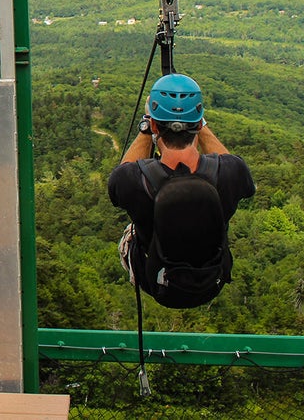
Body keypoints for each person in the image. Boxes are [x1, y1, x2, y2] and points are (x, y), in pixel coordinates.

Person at [107, 73, 255, 307]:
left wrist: (146, 128)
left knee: (131, 232)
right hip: (211, 281)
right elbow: (232, 163)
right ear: (197, 124)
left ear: (155, 124)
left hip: (157, 282)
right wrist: (201, 125)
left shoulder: (132, 181)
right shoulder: (232, 173)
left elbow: (120, 176)